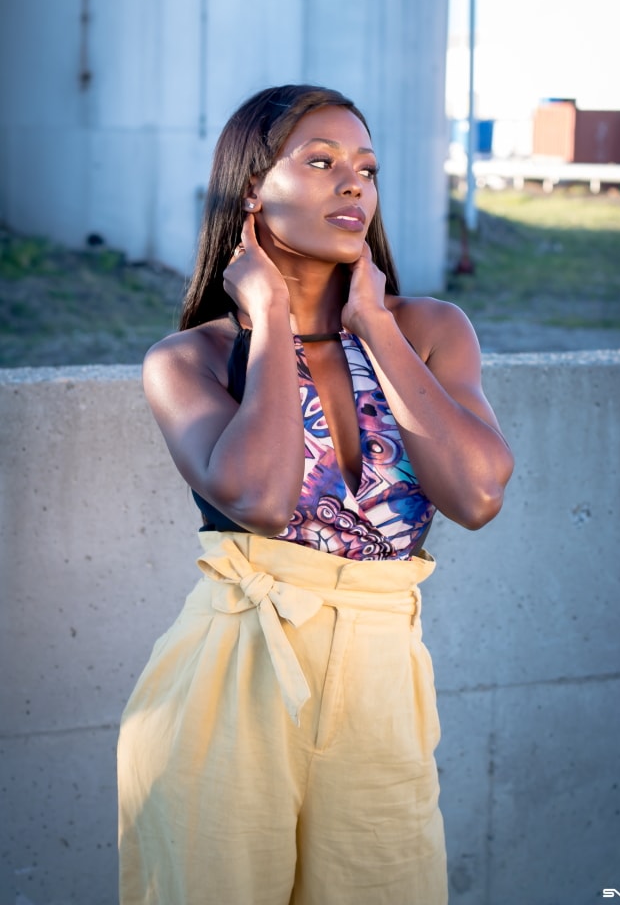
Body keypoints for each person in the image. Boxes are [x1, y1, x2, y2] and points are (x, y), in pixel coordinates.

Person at [117, 84, 514, 905]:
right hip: (229, 677)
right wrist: (268, 325)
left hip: (382, 679)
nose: (354, 185)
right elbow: (260, 497)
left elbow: (476, 494)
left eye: (366, 169)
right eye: (323, 161)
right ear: (253, 189)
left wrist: (376, 328)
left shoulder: (431, 329)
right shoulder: (188, 360)